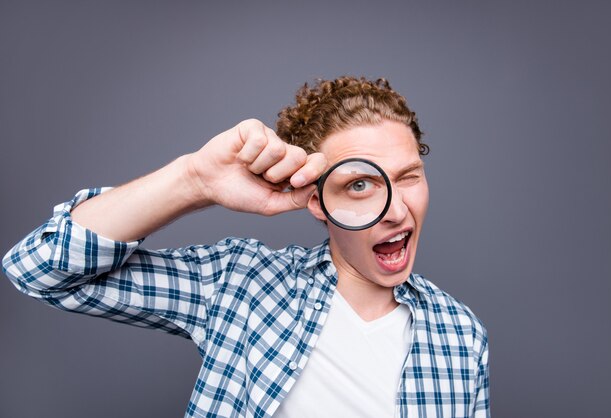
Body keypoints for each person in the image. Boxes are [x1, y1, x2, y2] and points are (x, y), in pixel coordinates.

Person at [2, 76, 489, 417]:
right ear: (317, 202)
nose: (397, 210)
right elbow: (39, 269)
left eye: (409, 178)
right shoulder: (242, 284)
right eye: (360, 185)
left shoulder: (461, 335)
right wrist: (194, 181)